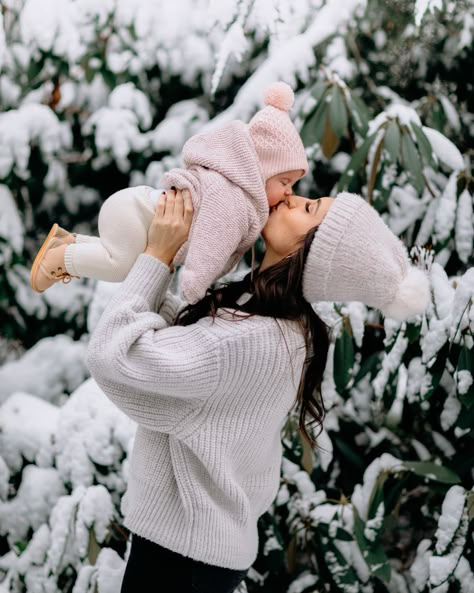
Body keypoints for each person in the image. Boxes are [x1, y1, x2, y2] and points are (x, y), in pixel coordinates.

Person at [86, 187, 429, 592]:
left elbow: (113, 356)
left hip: (183, 556)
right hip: (191, 548)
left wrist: (157, 259)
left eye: (308, 208)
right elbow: (183, 341)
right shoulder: (269, 319)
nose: (291, 198)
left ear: (315, 255)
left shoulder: (251, 341)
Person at [29, 82, 308, 304]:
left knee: (123, 256)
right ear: (260, 169)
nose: (289, 192)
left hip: (134, 207)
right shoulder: (232, 198)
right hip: (136, 215)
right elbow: (212, 242)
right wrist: (195, 286)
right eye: (284, 180)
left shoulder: (234, 191)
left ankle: (69, 242)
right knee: (122, 266)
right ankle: (61, 259)